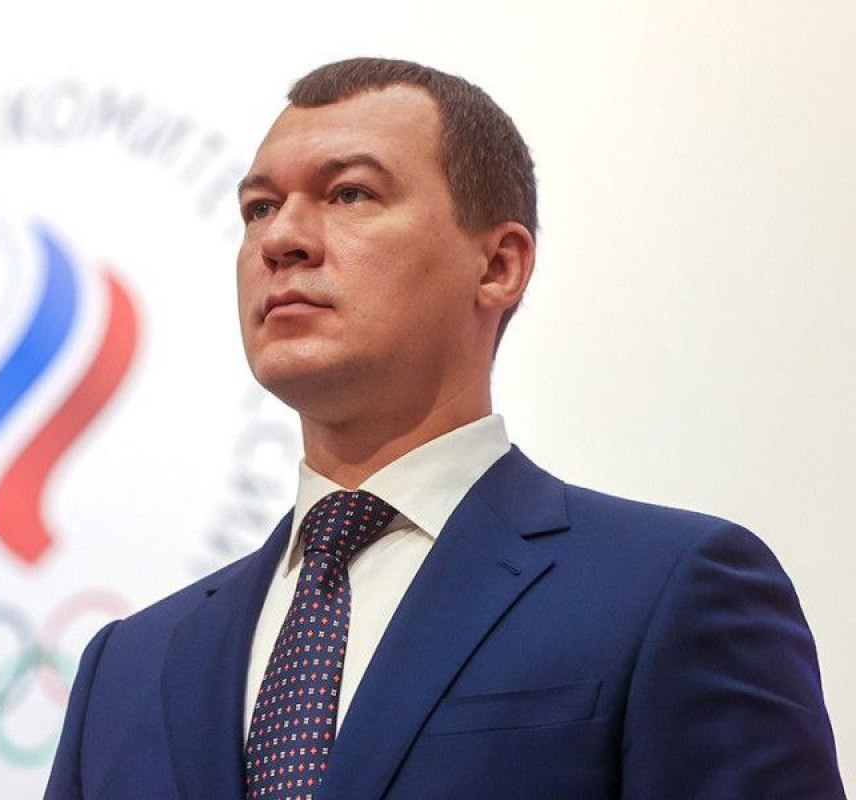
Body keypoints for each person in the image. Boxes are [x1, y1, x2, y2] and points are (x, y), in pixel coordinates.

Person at [43, 57, 844, 799]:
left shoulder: (671, 590)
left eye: (349, 194)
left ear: (498, 266)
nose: (281, 239)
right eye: (259, 208)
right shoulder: (128, 666)